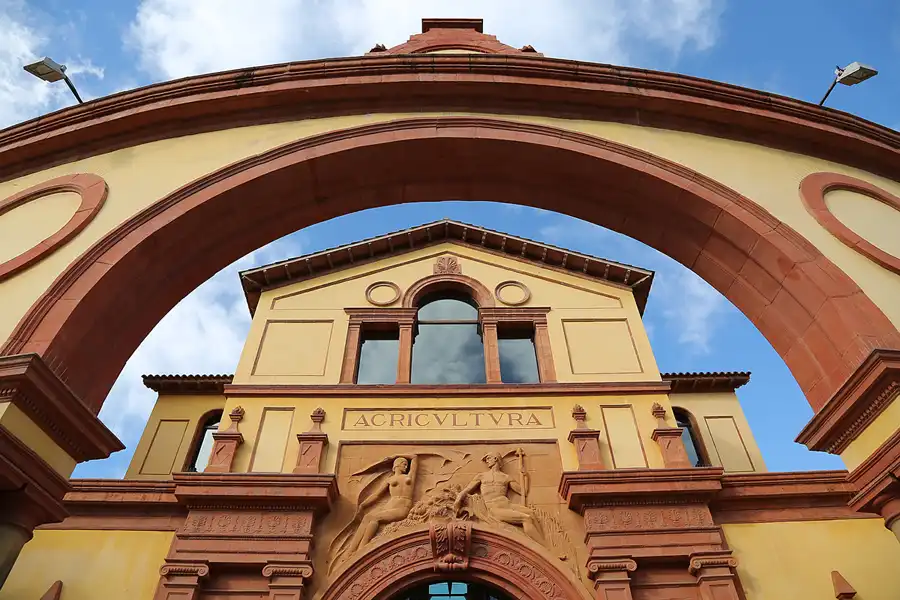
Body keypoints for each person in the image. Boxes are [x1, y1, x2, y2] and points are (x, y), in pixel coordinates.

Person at [454, 450, 543, 543]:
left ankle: (543, 543)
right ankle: (541, 547)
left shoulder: (506, 477)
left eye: (488, 458)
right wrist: (459, 497)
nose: (487, 461)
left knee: (531, 513)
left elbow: (523, 491)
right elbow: (468, 489)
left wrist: (526, 476)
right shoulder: (481, 476)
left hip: (506, 504)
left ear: (495, 459)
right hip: (494, 508)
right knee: (526, 518)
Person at [346, 455, 418, 553]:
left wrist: (394, 456)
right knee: (368, 517)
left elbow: (415, 457)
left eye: (406, 464)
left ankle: (362, 547)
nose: (406, 466)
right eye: (403, 464)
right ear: (396, 465)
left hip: (402, 508)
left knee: (375, 518)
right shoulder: (389, 480)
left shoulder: (410, 477)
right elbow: (376, 495)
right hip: (390, 506)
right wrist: (363, 505)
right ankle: (350, 551)